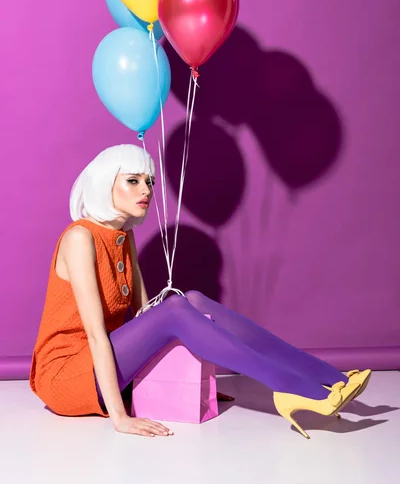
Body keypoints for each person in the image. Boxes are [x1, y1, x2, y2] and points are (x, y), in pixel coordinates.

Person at [30, 144, 371, 439]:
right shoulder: (80, 238)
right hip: (68, 375)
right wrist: (121, 417)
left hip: (105, 366)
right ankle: (294, 388)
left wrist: (193, 382)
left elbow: (141, 318)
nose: (145, 189)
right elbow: (94, 334)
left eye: (148, 181)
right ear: (105, 185)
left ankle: (329, 378)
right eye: (132, 181)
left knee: (189, 299)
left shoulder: (124, 237)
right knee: (176, 308)